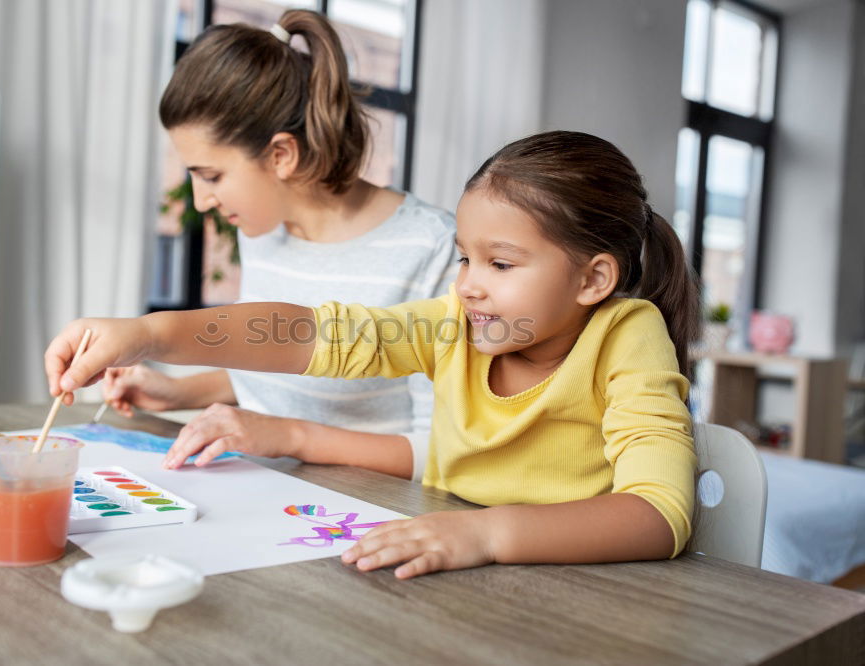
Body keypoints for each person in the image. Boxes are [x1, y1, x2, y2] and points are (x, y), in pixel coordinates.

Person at [45, 130, 700, 580]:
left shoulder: (627, 334)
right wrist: (152, 334)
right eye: (466, 257)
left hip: (571, 594)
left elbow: (657, 516)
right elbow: (311, 334)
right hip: (445, 564)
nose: (468, 282)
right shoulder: (456, 323)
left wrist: (486, 536)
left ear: (593, 280)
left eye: (500, 263)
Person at [105, 9, 457, 481]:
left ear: (281, 155)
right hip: (258, 491)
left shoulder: (433, 248)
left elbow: (442, 451)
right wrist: (179, 393)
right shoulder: (265, 234)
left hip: (362, 517)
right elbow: (280, 381)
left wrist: (292, 436)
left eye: (212, 175)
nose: (202, 201)